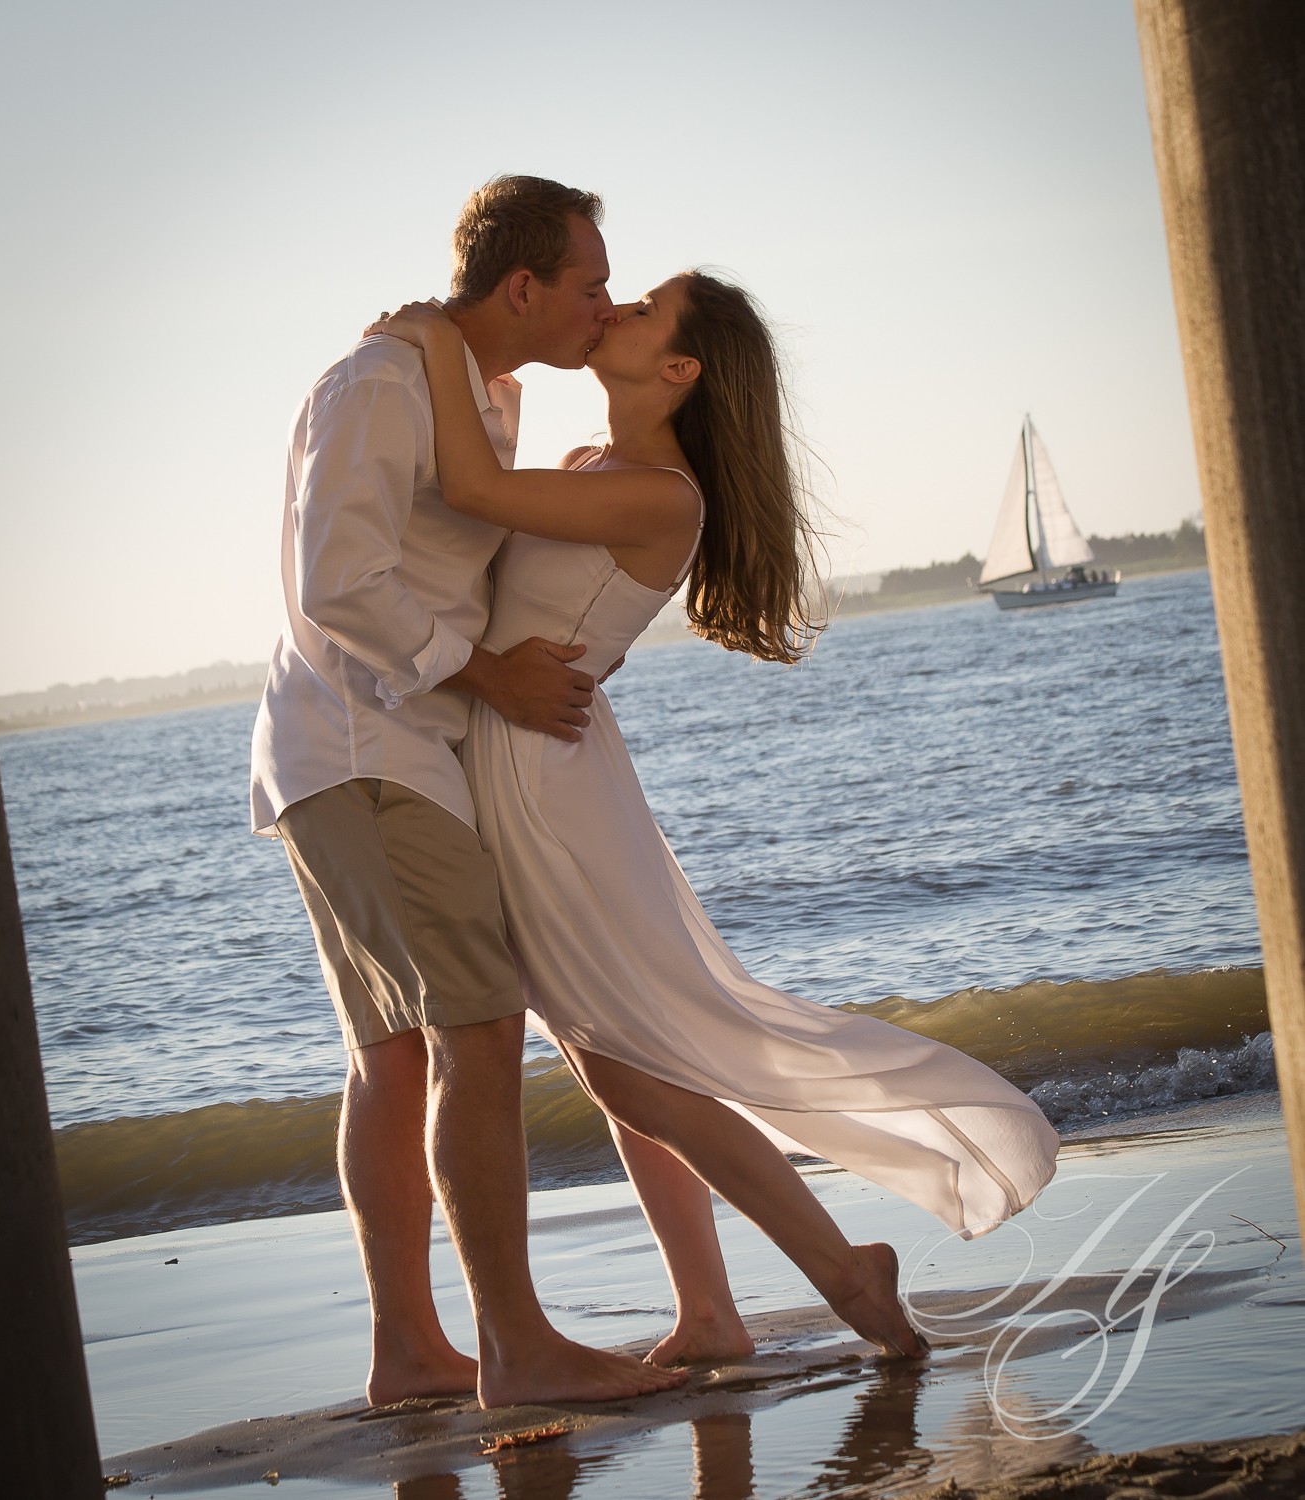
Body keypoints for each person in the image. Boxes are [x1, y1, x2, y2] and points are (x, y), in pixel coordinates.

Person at [369, 273, 1061, 1366]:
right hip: (522, 759)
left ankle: (836, 1273)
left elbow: (468, 483)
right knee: (626, 1057)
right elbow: (469, 518)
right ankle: (724, 1306)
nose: (617, 310)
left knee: (628, 1065)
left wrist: (428, 341)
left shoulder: (663, 495)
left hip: (551, 790)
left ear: (678, 370)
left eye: (641, 310)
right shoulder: (597, 468)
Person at [249, 175, 688, 1410]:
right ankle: (518, 1348)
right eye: (592, 283)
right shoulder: (383, 382)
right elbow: (339, 581)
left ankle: (409, 1357)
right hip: (364, 746)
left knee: (394, 1056)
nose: (605, 305)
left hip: (368, 752)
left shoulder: (468, 390)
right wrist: (484, 673)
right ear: (523, 287)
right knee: (479, 1028)